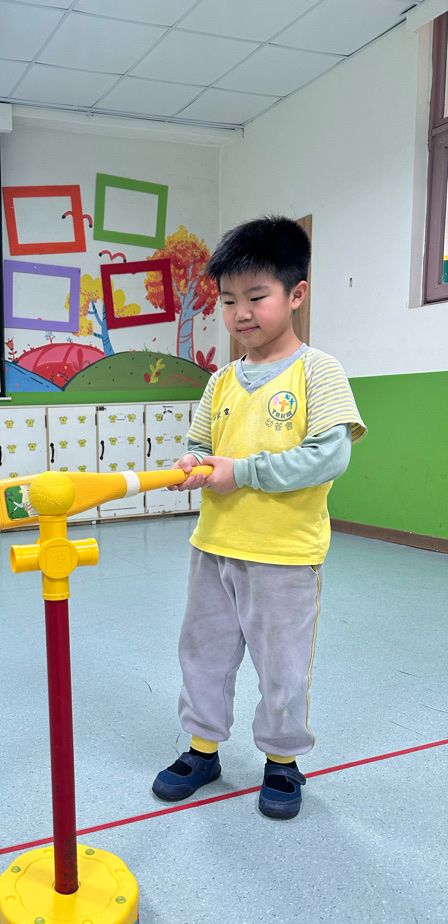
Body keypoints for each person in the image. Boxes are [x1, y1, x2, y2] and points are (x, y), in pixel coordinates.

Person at [152, 215, 366, 819]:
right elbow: (199, 445)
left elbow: (329, 456)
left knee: (282, 665)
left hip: (284, 555)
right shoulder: (221, 380)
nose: (240, 313)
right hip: (214, 545)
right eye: (228, 301)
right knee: (203, 652)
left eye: (256, 296)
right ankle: (202, 751)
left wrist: (241, 472)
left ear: (296, 294)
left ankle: (282, 760)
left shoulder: (318, 371)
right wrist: (192, 463)